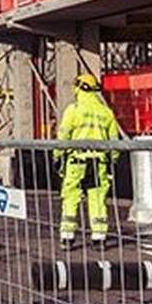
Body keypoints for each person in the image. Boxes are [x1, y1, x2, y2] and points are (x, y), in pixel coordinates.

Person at [55, 73, 121, 250]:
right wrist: (113, 159)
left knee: (71, 197)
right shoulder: (106, 112)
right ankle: (99, 237)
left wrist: (57, 156)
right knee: (97, 198)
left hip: (76, 161)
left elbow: (63, 136)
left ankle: (67, 237)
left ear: (80, 88)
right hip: (98, 162)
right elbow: (114, 141)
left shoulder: (73, 110)